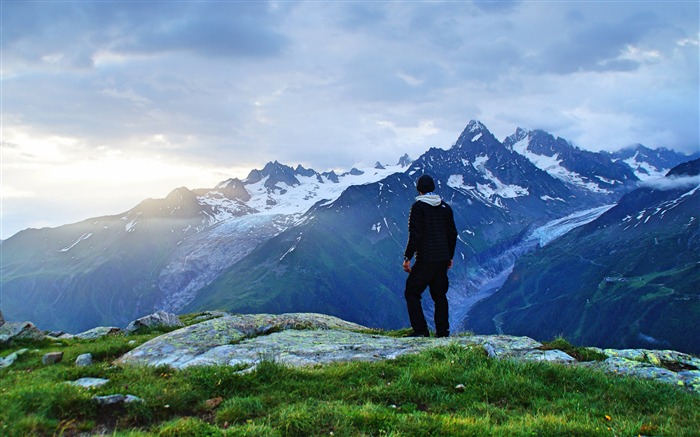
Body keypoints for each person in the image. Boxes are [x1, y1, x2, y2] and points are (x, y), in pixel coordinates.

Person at [402, 174, 458, 338]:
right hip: (442, 259)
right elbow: (452, 233)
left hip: (426, 258)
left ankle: (420, 331)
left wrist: (407, 257)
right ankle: (442, 332)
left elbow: (415, 235)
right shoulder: (445, 207)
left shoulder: (418, 207)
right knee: (439, 295)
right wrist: (449, 256)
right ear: (432, 188)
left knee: (412, 292)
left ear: (419, 189)